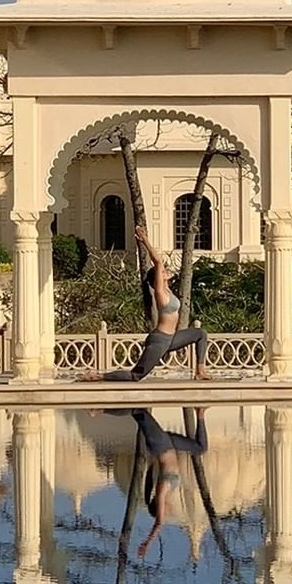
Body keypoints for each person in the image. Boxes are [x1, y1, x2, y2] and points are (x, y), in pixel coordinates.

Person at [80, 225, 210, 381]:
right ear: (157, 279)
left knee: (200, 334)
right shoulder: (160, 293)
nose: (165, 271)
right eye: (162, 272)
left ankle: (200, 372)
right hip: (160, 340)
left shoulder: (168, 291)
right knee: (136, 375)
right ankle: (97, 376)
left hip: (171, 338)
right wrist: (145, 240)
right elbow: (158, 261)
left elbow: (162, 268)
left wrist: (165, 273)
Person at [131, 406, 208, 558]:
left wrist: (148, 543)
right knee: (200, 448)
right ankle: (200, 412)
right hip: (170, 445)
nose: (167, 512)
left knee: (138, 412)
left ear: (157, 505)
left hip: (160, 445)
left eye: (163, 511)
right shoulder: (170, 491)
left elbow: (159, 522)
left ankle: (102, 408)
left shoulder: (161, 493)